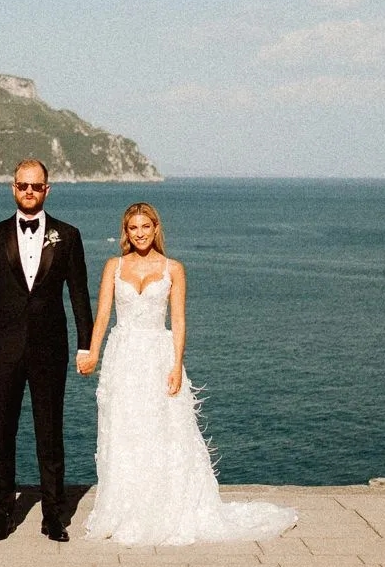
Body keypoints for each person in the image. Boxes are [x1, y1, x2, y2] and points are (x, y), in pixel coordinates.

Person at [79, 202, 296, 546]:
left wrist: (177, 365)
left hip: (158, 356)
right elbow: (103, 315)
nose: (139, 234)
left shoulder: (173, 269)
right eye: (133, 228)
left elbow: (178, 321)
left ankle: (165, 508)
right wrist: (91, 352)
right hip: (123, 358)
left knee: (163, 431)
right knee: (124, 430)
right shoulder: (113, 267)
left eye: (145, 227)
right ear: (126, 231)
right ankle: (124, 508)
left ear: (155, 229)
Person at [0, 159, 94, 542]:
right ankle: (3, 512)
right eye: (23, 185)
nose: (29, 192)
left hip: (50, 349)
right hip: (2, 348)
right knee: (1, 432)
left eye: (36, 186)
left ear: (47, 189)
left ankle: (54, 516)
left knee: (50, 432)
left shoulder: (68, 236)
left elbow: (79, 295)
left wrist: (85, 345)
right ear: (13, 187)